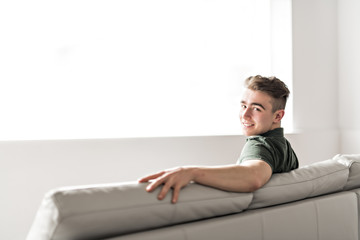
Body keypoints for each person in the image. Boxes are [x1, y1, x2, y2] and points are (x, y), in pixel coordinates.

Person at [138, 75, 299, 203]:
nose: (245, 115)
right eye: (244, 106)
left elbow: (253, 176)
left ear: (278, 116)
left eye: (256, 108)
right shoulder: (283, 146)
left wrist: (191, 172)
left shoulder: (260, 145)